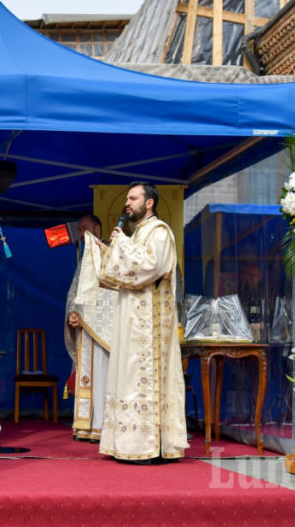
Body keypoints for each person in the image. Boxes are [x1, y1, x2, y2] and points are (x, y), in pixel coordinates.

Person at [94, 182, 187, 463]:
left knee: (141, 379)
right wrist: (106, 251)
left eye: (133, 198)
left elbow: (149, 268)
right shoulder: (136, 235)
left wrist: (120, 243)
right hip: (130, 320)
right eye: (127, 198)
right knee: (127, 377)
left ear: (149, 203)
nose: (128, 203)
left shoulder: (159, 232)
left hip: (150, 324)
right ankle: (128, 442)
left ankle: (150, 445)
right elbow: (118, 276)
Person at [64, 213, 117, 443]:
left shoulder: (109, 254)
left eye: (85, 229)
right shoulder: (85, 257)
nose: (81, 234)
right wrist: (72, 315)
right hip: (86, 327)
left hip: (104, 329)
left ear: (97, 230)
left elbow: (112, 293)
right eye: (79, 230)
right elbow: (76, 293)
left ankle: (101, 426)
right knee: (88, 376)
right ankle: (86, 426)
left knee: (103, 376)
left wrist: (91, 316)